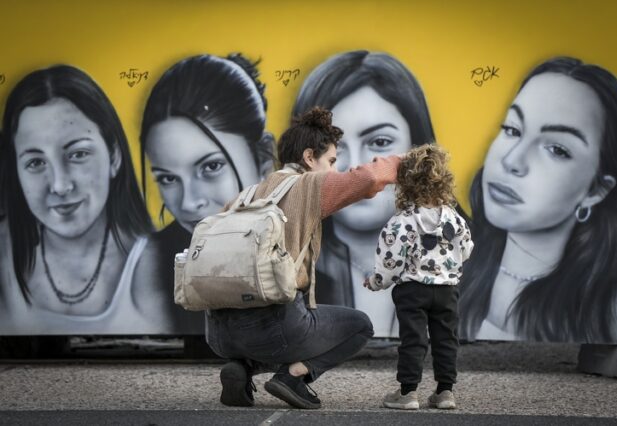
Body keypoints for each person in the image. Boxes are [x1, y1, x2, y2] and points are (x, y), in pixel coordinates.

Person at [206, 107, 402, 409]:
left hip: (219, 333)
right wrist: (406, 163)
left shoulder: (245, 197)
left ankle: (243, 368)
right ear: (309, 158)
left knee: (275, 331)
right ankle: (292, 377)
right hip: (276, 326)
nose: (334, 171)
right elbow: (367, 180)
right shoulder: (309, 185)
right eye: (332, 162)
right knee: (360, 326)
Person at [458, 56, 617, 343]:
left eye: (556, 149)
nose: (512, 160)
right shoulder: (447, 274)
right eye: (513, 130)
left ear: (596, 191)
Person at [0, 65, 156, 334]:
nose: (60, 185)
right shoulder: (4, 251)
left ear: (114, 157)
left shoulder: (155, 262)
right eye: (35, 162)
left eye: (77, 154)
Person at [291, 50, 436, 337]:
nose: (357, 166)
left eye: (380, 142)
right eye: (334, 148)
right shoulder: (291, 256)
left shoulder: (455, 245)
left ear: (417, 147)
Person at [139, 53, 275, 333]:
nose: (188, 203)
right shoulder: (146, 271)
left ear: (263, 160)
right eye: (167, 178)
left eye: (211, 166)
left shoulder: (302, 270)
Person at [364, 144, 473, 410]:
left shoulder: (401, 222)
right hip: (447, 289)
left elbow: (390, 262)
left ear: (406, 183)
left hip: (413, 290)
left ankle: (408, 393)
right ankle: (445, 392)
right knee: (446, 339)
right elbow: (467, 249)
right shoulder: (454, 219)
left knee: (414, 340)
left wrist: (376, 281)